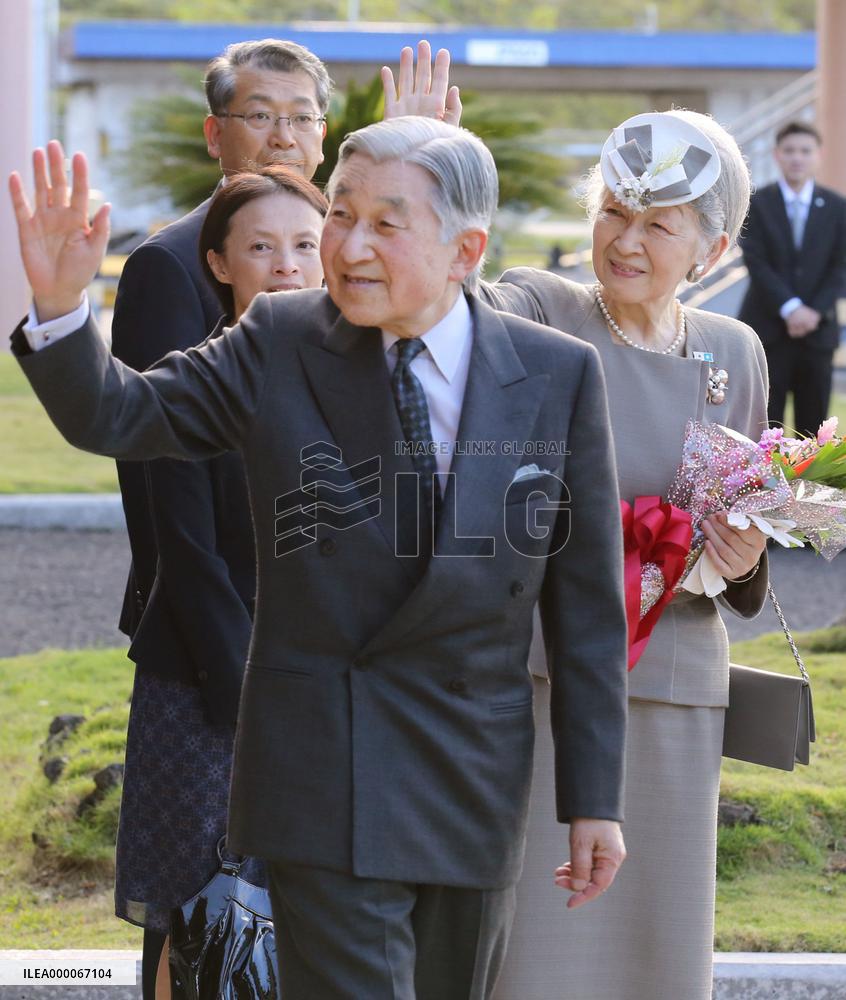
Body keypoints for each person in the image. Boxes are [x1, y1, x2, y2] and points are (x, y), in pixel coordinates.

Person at [10, 114, 627, 999]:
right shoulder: (281, 339)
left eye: (386, 222)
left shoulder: (555, 373)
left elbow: (587, 612)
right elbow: (123, 415)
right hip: (319, 769)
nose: (347, 246)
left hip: (471, 777)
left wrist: (593, 797)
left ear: (466, 250)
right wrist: (66, 311)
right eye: (340, 213)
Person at [478, 111, 770, 999]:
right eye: (613, 211)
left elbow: (744, 549)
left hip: (678, 689)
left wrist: (747, 549)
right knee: (534, 937)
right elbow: (451, 309)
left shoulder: (735, 351)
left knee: (659, 947)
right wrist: (427, 178)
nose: (626, 239)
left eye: (658, 223)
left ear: (712, 247)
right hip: (548, 680)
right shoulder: (544, 309)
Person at [106, 38, 331, 990]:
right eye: (260, 115)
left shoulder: (344, 272)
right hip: (212, 650)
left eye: (303, 116)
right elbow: (165, 509)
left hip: (323, 666)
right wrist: (236, 678)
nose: (283, 135)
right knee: (201, 913)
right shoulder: (169, 266)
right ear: (215, 133)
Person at [738, 121, 846, 435]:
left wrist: (812, 311)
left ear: (818, 155)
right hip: (769, 329)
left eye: (804, 150)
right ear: (777, 155)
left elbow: (841, 266)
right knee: (763, 424)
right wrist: (790, 308)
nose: (797, 157)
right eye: (789, 150)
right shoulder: (757, 204)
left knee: (815, 429)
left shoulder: (838, 207)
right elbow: (755, 262)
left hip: (817, 333)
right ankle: (764, 485)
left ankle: (811, 487)